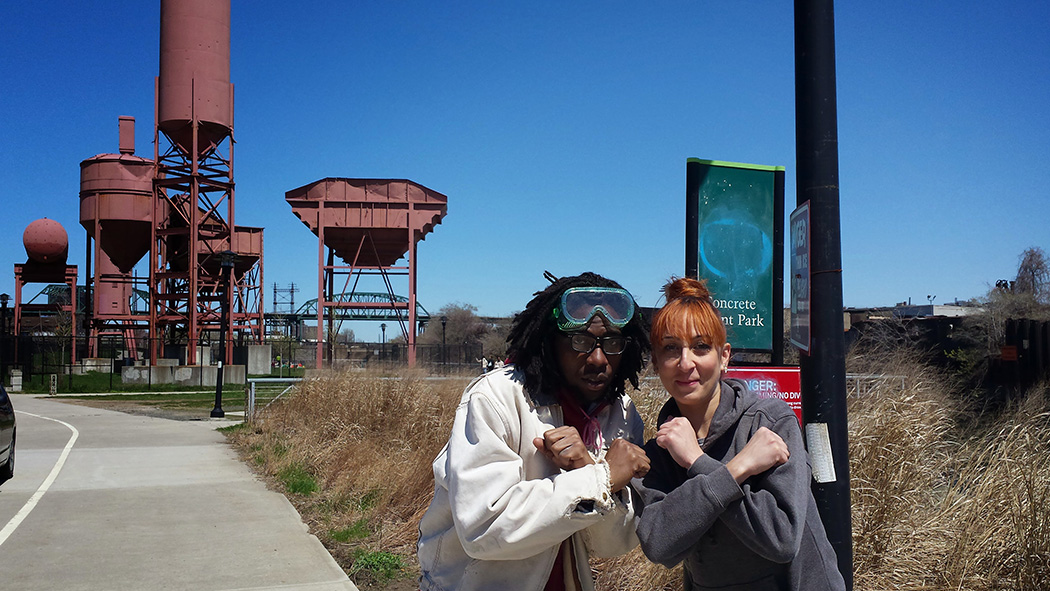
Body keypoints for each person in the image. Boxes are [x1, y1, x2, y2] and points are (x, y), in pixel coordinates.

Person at [417, 272, 652, 591]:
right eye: (580, 341)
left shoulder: (621, 413)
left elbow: (612, 545)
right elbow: (483, 530)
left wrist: (589, 471)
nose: (599, 359)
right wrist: (601, 479)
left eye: (612, 343)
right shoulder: (498, 397)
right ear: (549, 341)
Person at [632, 277, 846, 591]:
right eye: (670, 349)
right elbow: (659, 545)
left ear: (724, 357)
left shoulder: (769, 423)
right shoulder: (661, 450)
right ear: (656, 362)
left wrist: (697, 463)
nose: (685, 362)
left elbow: (782, 538)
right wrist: (732, 469)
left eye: (701, 346)